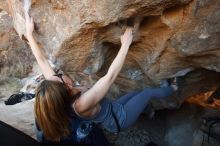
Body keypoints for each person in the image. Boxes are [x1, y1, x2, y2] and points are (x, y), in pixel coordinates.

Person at [25, 12, 177, 143]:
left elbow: (42, 60)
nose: (58, 74)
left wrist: (29, 34)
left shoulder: (58, 88)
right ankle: (173, 88)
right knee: (147, 93)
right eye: (60, 77)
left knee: (137, 95)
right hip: (119, 119)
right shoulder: (80, 104)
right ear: (66, 87)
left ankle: (149, 111)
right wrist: (125, 45)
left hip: (113, 107)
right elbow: (110, 77)